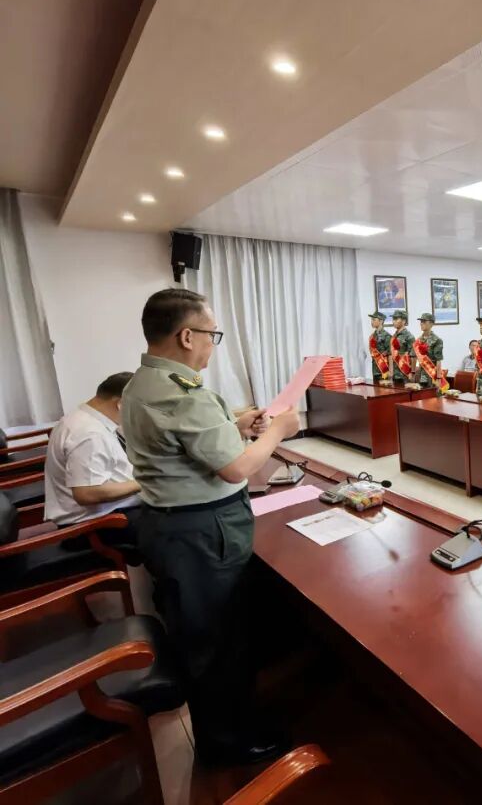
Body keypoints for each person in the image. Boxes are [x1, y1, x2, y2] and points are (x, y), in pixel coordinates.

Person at [122, 288, 300, 765]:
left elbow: (185, 442)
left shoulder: (144, 381)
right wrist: (279, 431)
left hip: (170, 525)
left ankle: (228, 726)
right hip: (200, 531)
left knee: (203, 631)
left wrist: (235, 425)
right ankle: (229, 744)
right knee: (215, 638)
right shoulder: (181, 393)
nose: (211, 345)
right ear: (187, 336)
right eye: (212, 335)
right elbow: (237, 468)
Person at [44, 373, 142, 546]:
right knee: (179, 522)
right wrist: (142, 483)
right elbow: (87, 493)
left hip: (106, 514)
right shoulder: (89, 434)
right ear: (121, 404)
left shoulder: (85, 419)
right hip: (96, 526)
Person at [414, 313, 446, 391]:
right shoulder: (418, 340)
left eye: (424, 321)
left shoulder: (437, 340)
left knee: (432, 396)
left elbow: (438, 360)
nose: (421, 323)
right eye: (421, 321)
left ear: (431, 323)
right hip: (420, 374)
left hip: (432, 374)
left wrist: (438, 378)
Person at [389, 310, 416, 383]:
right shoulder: (394, 336)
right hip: (395, 373)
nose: (393, 321)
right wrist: (391, 371)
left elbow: (413, 356)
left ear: (404, 321)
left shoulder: (409, 336)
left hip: (405, 373)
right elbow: (391, 354)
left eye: (396, 319)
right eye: (393, 319)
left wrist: (413, 373)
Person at [367, 311, 392, 381]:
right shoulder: (372, 336)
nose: (372, 322)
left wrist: (391, 371)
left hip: (384, 370)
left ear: (381, 321)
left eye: (374, 320)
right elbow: (372, 352)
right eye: (371, 320)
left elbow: (390, 354)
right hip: (375, 369)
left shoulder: (387, 336)